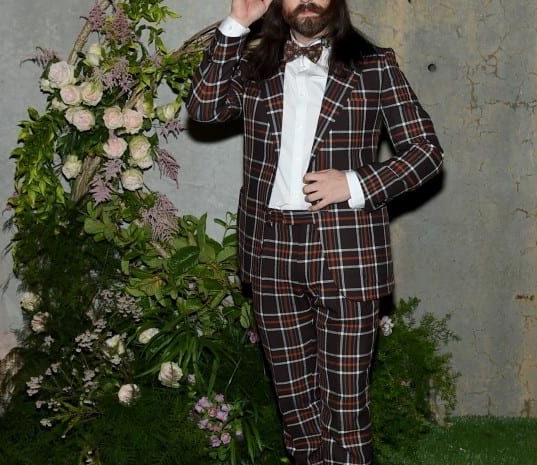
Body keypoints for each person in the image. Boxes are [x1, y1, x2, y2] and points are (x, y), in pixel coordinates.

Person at [187, 1, 443, 463]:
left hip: (346, 251)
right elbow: (203, 108)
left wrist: (355, 183)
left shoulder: (374, 66)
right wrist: (236, 24)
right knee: (296, 412)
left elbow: (425, 151)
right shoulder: (256, 67)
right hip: (270, 250)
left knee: (345, 412)